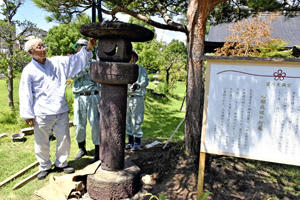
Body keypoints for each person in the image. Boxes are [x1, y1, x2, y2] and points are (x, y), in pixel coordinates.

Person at [19, 37, 97, 180]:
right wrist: (27, 114)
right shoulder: (28, 70)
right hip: (41, 112)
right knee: (41, 141)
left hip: (60, 109)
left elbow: (74, 60)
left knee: (64, 139)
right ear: (30, 51)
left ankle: (61, 163)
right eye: (39, 47)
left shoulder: (56, 62)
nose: (43, 49)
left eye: (43, 45)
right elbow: (25, 93)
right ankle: (44, 166)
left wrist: (88, 47)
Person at [71, 38, 100, 162]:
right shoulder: (74, 63)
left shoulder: (95, 62)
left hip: (93, 95)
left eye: (79, 47)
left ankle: (98, 150)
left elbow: (100, 77)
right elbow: (73, 76)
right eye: (77, 48)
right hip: (79, 97)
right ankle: (82, 148)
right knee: (79, 124)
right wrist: (86, 69)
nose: (77, 50)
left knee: (95, 123)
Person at [125, 50, 149, 151]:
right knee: (128, 120)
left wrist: (138, 85)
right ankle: (130, 142)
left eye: (131, 56)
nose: (130, 58)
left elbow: (145, 80)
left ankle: (137, 142)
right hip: (127, 98)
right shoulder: (124, 68)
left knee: (136, 120)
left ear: (135, 58)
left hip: (137, 97)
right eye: (128, 56)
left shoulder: (140, 69)